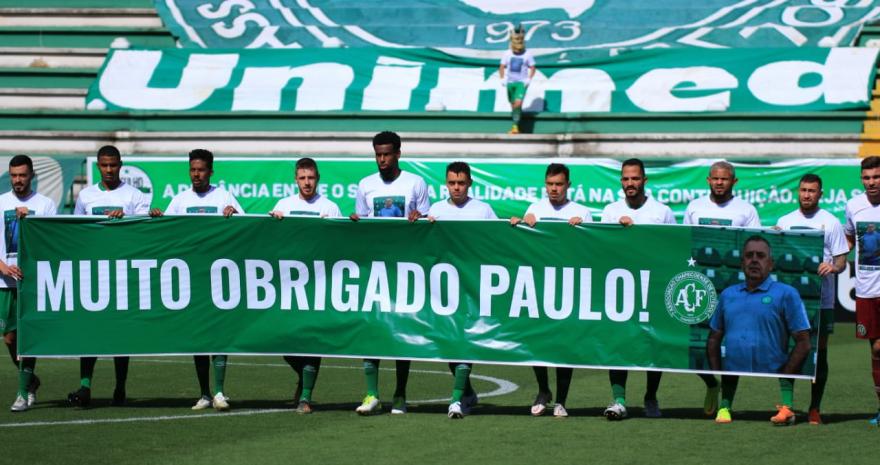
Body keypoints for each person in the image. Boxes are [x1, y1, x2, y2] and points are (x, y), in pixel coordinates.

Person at [149, 149, 241, 411]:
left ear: (211, 171)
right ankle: (204, 393)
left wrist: (233, 213)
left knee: (220, 334)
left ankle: (221, 392)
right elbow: (167, 231)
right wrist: (158, 218)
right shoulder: (179, 200)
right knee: (199, 335)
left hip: (219, 276)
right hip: (192, 277)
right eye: (192, 170)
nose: (196, 174)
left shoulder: (223, 196)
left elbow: (244, 225)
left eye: (201, 170)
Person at [350, 131, 430, 415]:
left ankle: (400, 394)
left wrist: (418, 220)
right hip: (375, 268)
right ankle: (371, 394)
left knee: (400, 332)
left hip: (405, 269)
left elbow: (427, 226)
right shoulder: (365, 185)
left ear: (398, 153)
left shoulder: (415, 183)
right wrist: (357, 222)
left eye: (386, 154)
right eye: (377, 154)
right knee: (371, 329)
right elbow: (362, 226)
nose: (382, 159)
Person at [68, 145, 150, 408]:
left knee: (119, 333)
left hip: (124, 274)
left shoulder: (135, 195)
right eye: (104, 165)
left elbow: (144, 233)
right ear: (98, 166)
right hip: (93, 273)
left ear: (120, 164)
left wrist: (124, 219)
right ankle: (85, 387)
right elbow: (75, 232)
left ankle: (120, 387)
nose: (109, 169)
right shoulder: (86, 196)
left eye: (113, 165)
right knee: (89, 330)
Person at [511, 162, 591, 417]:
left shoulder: (582, 211)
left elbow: (591, 249)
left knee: (564, 344)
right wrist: (521, 223)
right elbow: (524, 245)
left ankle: (562, 400)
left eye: (559, 184)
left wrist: (582, 230)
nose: (554, 189)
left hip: (569, 286)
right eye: (550, 184)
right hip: (540, 285)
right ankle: (543, 390)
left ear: (568, 185)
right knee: (538, 340)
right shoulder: (535, 208)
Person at [683, 160, 761, 416]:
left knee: (733, 349)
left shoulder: (746, 210)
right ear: (707, 180)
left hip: (734, 292)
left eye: (724, 179)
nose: (719, 182)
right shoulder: (694, 207)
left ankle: (726, 405)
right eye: (715, 178)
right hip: (700, 289)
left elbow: (756, 250)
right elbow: (684, 242)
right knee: (693, 348)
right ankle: (711, 384)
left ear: (734, 181)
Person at [599, 158, 675, 420]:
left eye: (635, 178)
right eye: (625, 179)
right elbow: (600, 248)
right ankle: (619, 399)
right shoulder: (610, 211)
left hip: (652, 289)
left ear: (645, 180)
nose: (630, 183)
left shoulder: (662, 211)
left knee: (652, 344)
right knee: (619, 344)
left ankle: (651, 397)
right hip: (619, 290)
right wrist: (618, 235)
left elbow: (671, 249)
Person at [707, 235, 811, 425]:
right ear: (741, 263)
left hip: (775, 364)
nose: (754, 260)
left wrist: (787, 371)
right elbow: (714, 337)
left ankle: (787, 407)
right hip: (733, 365)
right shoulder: (728, 294)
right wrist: (715, 372)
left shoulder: (787, 293)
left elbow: (803, 342)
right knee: (731, 365)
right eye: (749, 255)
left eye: (761, 256)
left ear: (770, 264)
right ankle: (725, 406)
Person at [270, 157, 341, 414]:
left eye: (311, 177)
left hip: (319, 284)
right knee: (280, 339)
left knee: (313, 340)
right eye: (302, 178)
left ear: (318, 178)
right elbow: (271, 242)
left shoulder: (330, 207)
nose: (307, 182)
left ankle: (306, 397)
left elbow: (340, 245)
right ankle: (304, 376)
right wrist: (273, 225)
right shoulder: (283, 205)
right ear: (295, 179)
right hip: (289, 284)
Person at [776, 174, 847, 425]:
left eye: (812, 191)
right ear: (798, 192)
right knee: (788, 350)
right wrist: (774, 238)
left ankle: (815, 407)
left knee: (820, 353)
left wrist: (833, 267)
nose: (807, 195)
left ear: (821, 194)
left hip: (821, 300)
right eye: (803, 190)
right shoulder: (784, 221)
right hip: (790, 300)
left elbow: (841, 259)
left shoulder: (831, 222)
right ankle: (786, 406)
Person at [427, 161, 495, 419]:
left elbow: (496, 242)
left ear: (470, 183)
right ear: (446, 183)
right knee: (448, 343)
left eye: (461, 183)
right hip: (442, 289)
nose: (457, 188)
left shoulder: (483, 210)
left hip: (473, 286)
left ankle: (456, 400)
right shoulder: (436, 209)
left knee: (464, 339)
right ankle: (466, 392)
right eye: (452, 183)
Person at [0, 155, 56, 412]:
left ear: (32, 176)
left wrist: (30, 222)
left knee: (27, 339)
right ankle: (31, 381)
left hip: (32, 283)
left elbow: (51, 245)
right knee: (10, 339)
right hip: (4, 282)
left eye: (22, 175)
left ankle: (22, 393)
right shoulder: (1, 204)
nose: (18, 180)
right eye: (14, 175)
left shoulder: (45, 205)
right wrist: (5, 268)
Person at [844, 155, 880, 425]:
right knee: (876, 349)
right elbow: (847, 238)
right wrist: (835, 260)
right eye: (867, 178)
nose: (872, 183)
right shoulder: (853, 206)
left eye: (877, 177)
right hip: (866, 289)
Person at [498, 24, 535, 135]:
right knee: (514, 105)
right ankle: (516, 123)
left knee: (518, 103)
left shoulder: (527, 54)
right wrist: (502, 78)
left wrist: (529, 79)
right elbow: (501, 66)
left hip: (521, 83)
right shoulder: (507, 54)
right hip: (510, 83)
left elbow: (533, 67)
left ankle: (515, 127)